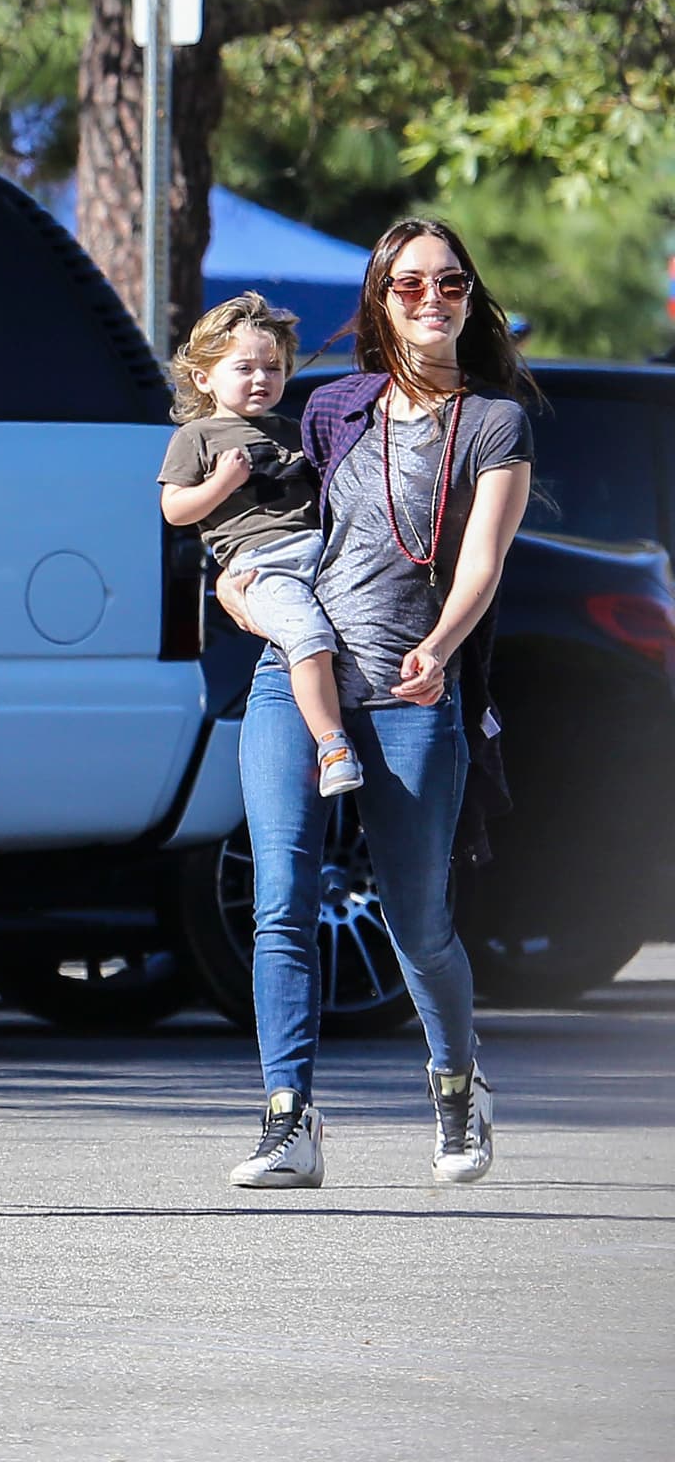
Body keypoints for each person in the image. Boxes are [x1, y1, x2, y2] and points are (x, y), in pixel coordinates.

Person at [217, 218, 535, 1191]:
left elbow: (481, 563)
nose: (432, 299)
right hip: (296, 675)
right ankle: (289, 1120)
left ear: (470, 300)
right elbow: (272, 532)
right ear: (380, 301)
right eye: (410, 285)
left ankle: (456, 1083)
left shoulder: (493, 423)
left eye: (450, 284)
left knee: (416, 922)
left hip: (410, 689)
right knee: (280, 902)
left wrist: (439, 648)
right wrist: (234, 588)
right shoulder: (332, 409)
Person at [159, 293, 363, 800]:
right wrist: (221, 484)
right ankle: (333, 746)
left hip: (319, 551)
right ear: (204, 378)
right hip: (262, 565)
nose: (261, 379)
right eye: (244, 368)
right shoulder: (197, 436)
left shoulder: (293, 431)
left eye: (273, 368)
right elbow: (175, 510)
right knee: (309, 638)